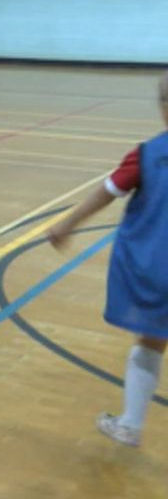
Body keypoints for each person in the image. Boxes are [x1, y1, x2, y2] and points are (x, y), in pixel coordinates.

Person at [47, 72, 168, 447]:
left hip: (157, 266)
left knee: (150, 341)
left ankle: (131, 424)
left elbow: (107, 191)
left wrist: (67, 222)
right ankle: (129, 424)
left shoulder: (148, 153)